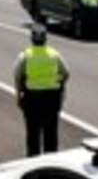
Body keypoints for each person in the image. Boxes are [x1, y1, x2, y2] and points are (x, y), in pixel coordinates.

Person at [13, 23, 69, 157]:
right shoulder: (55, 54)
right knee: (51, 132)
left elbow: (17, 76)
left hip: (32, 97)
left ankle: (33, 161)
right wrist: (58, 84)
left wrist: (19, 96)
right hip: (52, 97)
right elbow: (66, 73)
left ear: (32, 38)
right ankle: (50, 162)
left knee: (33, 133)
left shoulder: (25, 55)